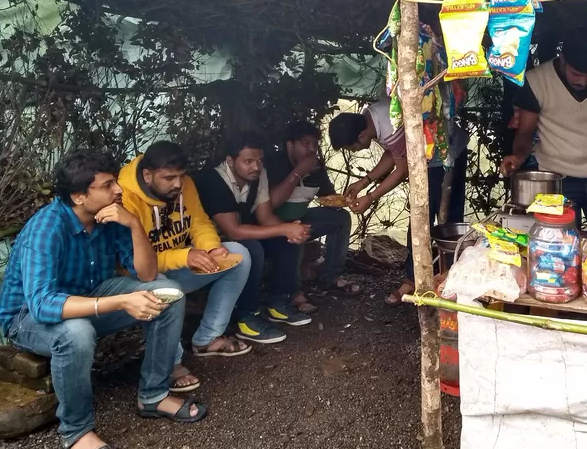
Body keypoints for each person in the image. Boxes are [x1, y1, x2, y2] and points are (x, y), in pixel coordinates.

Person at [0, 149, 206, 449]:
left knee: (169, 295)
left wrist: (135, 225)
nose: (119, 190)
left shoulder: (112, 216)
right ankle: (76, 431)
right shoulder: (47, 228)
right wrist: (121, 302)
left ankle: (153, 395)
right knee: (76, 332)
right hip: (27, 318)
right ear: (79, 196)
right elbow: (42, 302)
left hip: (89, 295)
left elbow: (147, 276)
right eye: (108, 185)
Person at [120, 143, 280, 372]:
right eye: (169, 178)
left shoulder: (185, 185)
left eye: (181, 176)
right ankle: (170, 363)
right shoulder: (126, 199)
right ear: (147, 175)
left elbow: (199, 222)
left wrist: (212, 247)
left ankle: (208, 338)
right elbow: (136, 264)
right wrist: (185, 256)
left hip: (180, 262)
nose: (178, 184)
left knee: (239, 255)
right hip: (140, 278)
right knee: (162, 285)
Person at [328, 100, 468, 306]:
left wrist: (369, 197)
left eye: (352, 148)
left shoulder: (388, 125)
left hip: (445, 152)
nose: (354, 152)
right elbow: (394, 153)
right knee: (423, 221)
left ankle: (448, 279)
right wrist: (363, 182)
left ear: (361, 136)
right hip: (431, 153)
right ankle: (420, 278)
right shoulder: (369, 116)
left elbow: (401, 170)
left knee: (438, 221)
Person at [500, 30, 587, 225]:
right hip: (557, 183)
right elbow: (525, 133)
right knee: (561, 249)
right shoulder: (537, 82)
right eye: (576, 74)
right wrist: (518, 157)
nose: (582, 81)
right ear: (563, 59)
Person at [194, 131, 314, 328]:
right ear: (231, 161)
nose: (256, 167)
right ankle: (246, 316)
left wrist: (292, 231)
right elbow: (234, 231)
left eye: (259, 160)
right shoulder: (213, 180)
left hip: (239, 235)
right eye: (248, 161)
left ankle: (278, 303)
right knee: (252, 248)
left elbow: (265, 217)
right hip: (213, 245)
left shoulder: (259, 175)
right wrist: (284, 228)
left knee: (286, 241)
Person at [267, 121, 360, 301]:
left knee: (340, 219)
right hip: (273, 225)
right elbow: (273, 202)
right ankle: (293, 292)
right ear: (290, 145)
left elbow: (330, 197)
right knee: (296, 235)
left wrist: (346, 201)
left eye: (315, 144)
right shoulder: (274, 164)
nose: (311, 149)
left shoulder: (316, 169)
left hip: (300, 218)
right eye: (305, 143)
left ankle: (331, 277)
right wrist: (299, 172)